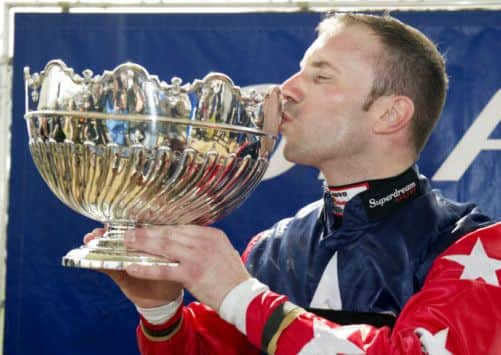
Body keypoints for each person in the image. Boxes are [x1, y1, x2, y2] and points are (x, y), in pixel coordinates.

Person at [86, 12, 501, 354]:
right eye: (298, 72)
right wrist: (160, 309)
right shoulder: (274, 246)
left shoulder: (470, 245)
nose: (286, 89)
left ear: (390, 115)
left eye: (321, 77)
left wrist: (242, 296)